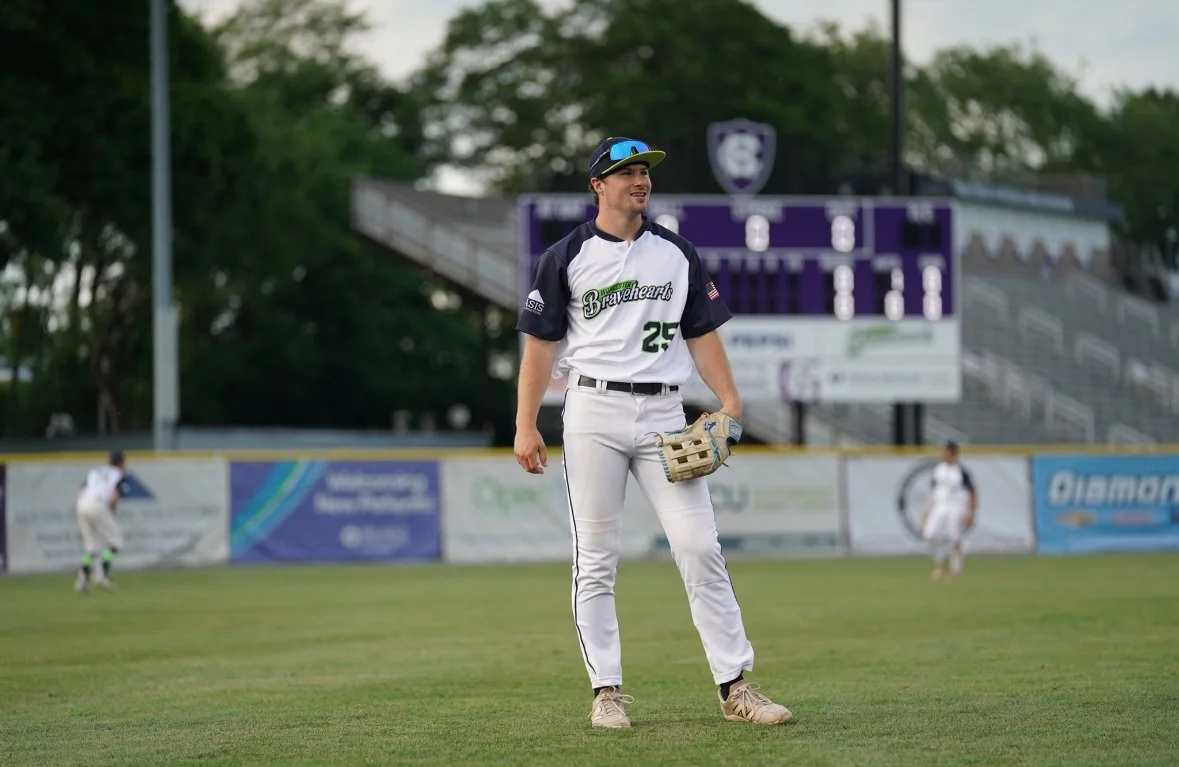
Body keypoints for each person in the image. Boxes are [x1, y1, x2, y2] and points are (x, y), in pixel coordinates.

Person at [513, 136, 793, 729]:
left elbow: (701, 333)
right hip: (593, 411)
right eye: (625, 172)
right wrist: (525, 424)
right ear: (599, 186)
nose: (639, 181)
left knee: (699, 548)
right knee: (596, 558)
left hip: (665, 413)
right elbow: (540, 347)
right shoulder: (565, 257)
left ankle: (736, 686)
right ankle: (606, 691)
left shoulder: (676, 253)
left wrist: (731, 401)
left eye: (644, 171)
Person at [73, 449, 130, 593]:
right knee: (115, 542)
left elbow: (82, 489)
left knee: (91, 547)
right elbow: (114, 495)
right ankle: (101, 575)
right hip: (98, 505)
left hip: (82, 503)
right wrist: (111, 511)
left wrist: (77, 506)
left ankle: (82, 580)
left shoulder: (96, 471)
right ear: (121, 463)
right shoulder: (118, 474)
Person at [920, 441, 978, 580]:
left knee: (955, 538)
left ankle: (956, 570)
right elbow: (933, 492)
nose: (942, 455)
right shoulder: (938, 470)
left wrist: (971, 512)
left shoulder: (961, 472)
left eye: (945, 452)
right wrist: (926, 511)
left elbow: (973, 492)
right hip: (939, 506)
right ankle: (940, 561)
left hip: (956, 507)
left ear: (953, 454)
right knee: (929, 534)